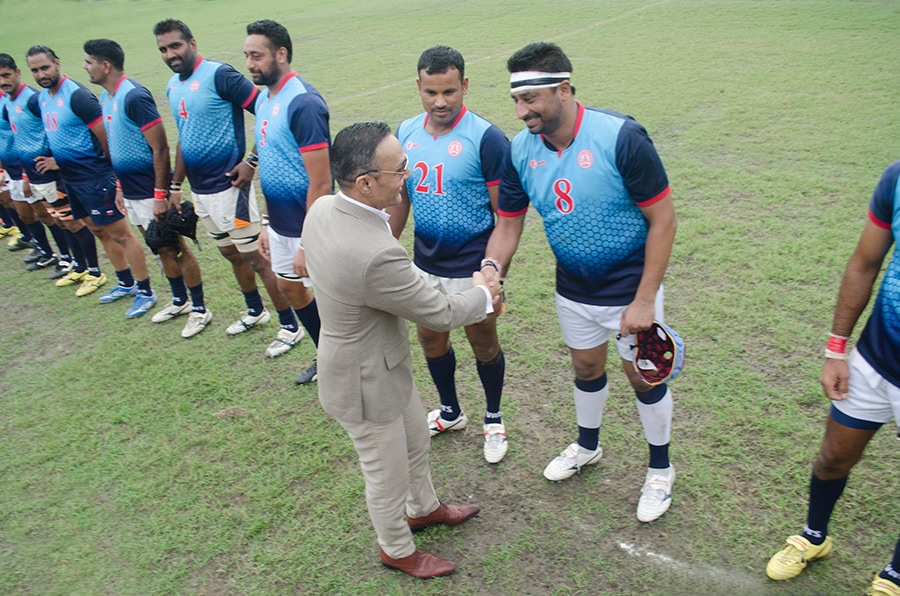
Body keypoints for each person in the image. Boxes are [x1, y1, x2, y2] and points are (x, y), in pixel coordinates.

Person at [481, 42, 678, 522]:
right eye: (516, 100)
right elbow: (508, 224)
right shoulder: (520, 150)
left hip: (631, 292)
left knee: (643, 377)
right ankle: (587, 447)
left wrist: (645, 299)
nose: (522, 110)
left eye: (532, 99)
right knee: (586, 369)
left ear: (564, 89)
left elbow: (664, 219)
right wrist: (490, 272)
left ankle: (661, 470)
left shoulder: (621, 137)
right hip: (573, 290)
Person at [303, 121, 501, 579]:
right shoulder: (376, 252)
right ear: (366, 182)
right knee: (384, 472)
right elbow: (439, 312)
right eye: (400, 169)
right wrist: (486, 293)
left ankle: (424, 507)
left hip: (380, 366)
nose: (408, 176)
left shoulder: (324, 209)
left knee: (414, 441)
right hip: (364, 381)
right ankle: (395, 547)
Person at [765, 162, 900, 596]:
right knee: (832, 458)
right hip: (875, 360)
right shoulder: (897, 177)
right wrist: (836, 349)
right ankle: (813, 537)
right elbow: (864, 263)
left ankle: (895, 574)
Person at [391, 46, 510, 463]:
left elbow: (505, 215)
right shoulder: (405, 132)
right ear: (418, 87)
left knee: (482, 341)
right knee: (430, 338)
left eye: (449, 91)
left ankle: (493, 419)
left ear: (465, 86)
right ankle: (450, 411)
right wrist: (386, 246)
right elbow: (400, 200)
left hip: (472, 267)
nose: (440, 102)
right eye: (431, 92)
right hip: (424, 265)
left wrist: (494, 274)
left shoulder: (487, 137)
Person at [154, 19, 294, 344]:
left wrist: (251, 161)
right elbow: (184, 140)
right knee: (230, 254)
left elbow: (269, 112)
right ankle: (255, 310)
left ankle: (290, 325)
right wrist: (175, 186)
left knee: (257, 258)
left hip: (233, 190)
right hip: (201, 193)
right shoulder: (172, 86)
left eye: (175, 45)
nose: (170, 53)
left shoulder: (220, 75)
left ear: (192, 41)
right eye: (163, 49)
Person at [83, 39, 210, 325]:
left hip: (151, 190)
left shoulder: (134, 96)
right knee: (158, 246)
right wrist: (118, 187)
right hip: (129, 190)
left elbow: (161, 148)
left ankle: (200, 309)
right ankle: (180, 301)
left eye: (89, 61)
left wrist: (160, 194)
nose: (85, 67)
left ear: (105, 65)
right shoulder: (105, 98)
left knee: (176, 247)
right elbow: (116, 146)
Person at [27, 45, 150, 303]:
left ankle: (146, 290)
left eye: (45, 67)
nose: (41, 74)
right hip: (72, 180)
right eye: (35, 71)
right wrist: (57, 161)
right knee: (98, 231)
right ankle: (125, 282)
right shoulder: (42, 98)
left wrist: (114, 178)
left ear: (57, 63)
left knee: (120, 234)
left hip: (95, 177)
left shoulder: (78, 96)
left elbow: (106, 139)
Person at [242, 19, 329, 381]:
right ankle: (326, 357)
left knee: (333, 301)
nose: (250, 64)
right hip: (278, 223)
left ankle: (351, 364)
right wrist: (265, 223)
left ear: (281, 54)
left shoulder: (304, 103)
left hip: (310, 226)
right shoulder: (264, 98)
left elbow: (322, 181)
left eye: (257, 56)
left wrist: (308, 243)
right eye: (247, 56)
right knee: (292, 291)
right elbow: (270, 161)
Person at [0, 53, 73, 277]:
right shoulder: (8, 103)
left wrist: (26, 174)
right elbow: (16, 137)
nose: (3, 81)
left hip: (41, 172)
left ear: (17, 72)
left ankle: (68, 258)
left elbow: (49, 132)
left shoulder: (33, 99)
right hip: (18, 170)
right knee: (27, 214)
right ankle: (47, 252)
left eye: (6, 75)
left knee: (54, 218)